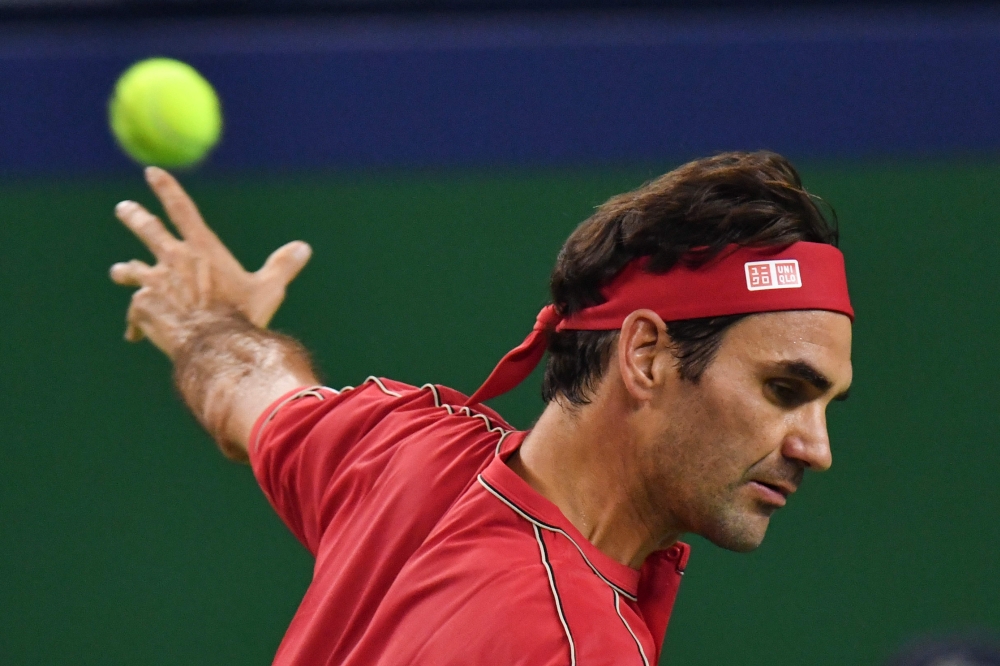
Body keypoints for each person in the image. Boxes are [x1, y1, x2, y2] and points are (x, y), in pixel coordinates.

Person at [109, 151, 854, 665]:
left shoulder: (401, 448)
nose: (815, 448)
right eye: (784, 391)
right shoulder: (573, 646)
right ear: (647, 357)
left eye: (825, 403)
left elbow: (249, 384)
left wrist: (209, 320)